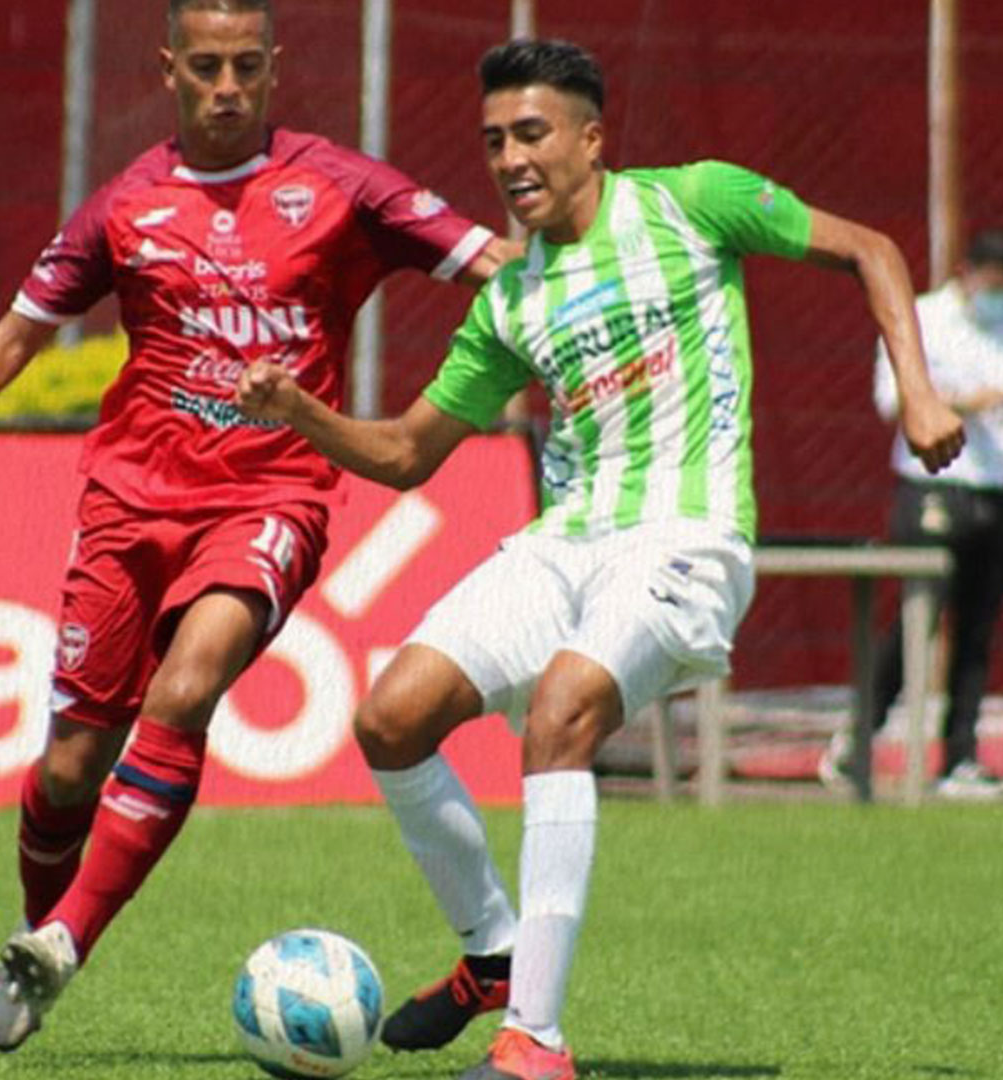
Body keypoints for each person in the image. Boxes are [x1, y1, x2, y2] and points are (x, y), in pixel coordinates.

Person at [234, 38, 963, 1080]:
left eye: (531, 133)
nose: (511, 159)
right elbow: (405, 455)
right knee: (389, 720)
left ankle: (534, 1036)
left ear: (590, 136)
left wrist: (921, 393)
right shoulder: (510, 300)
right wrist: (301, 411)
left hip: (686, 539)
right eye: (493, 142)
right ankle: (491, 949)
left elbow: (872, 250)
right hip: (564, 542)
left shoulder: (693, 202)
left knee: (562, 709)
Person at [0, 0, 514, 1052]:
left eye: (246, 66)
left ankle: (69, 939)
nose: (227, 86)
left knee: (188, 685)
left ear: (275, 68)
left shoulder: (346, 187)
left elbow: (499, 268)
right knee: (71, 767)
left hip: (271, 496)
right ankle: (39, 933)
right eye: (205, 66)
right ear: (167, 68)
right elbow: (23, 328)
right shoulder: (128, 205)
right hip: (129, 500)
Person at [819, 227, 1003, 802]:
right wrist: (962, 401)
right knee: (914, 621)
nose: (998, 294)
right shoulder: (924, 318)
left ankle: (960, 758)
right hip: (934, 482)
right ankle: (857, 741)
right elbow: (891, 399)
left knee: (978, 628)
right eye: (990, 282)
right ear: (965, 273)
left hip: (1000, 485)